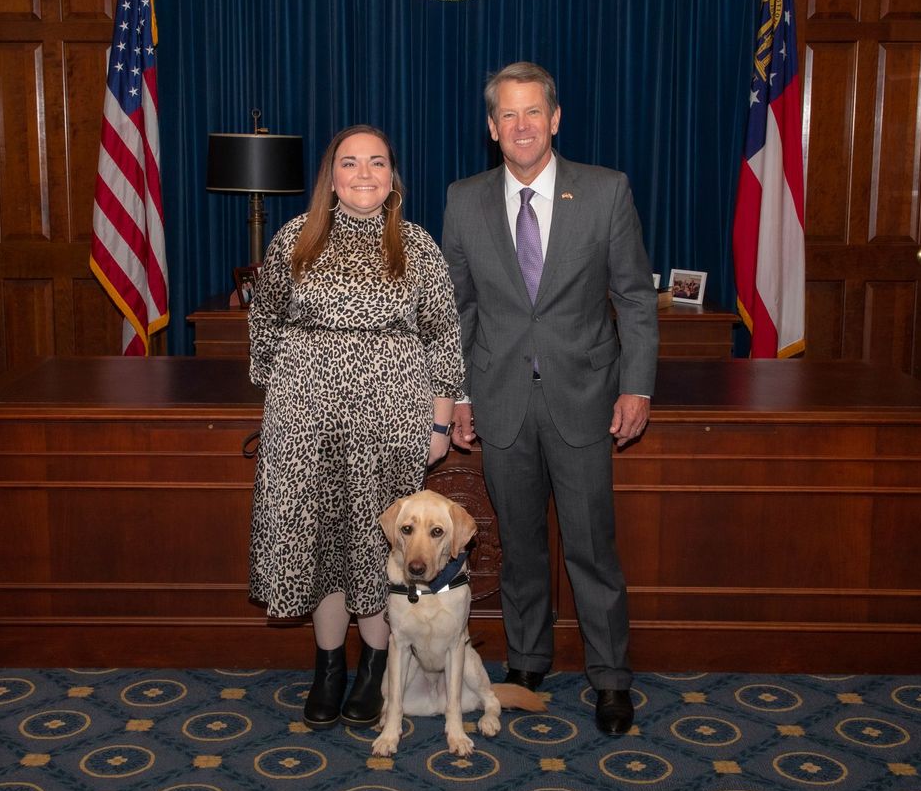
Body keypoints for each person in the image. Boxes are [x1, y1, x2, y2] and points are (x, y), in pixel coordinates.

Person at [441, 62, 659, 735]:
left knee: (592, 547)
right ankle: (527, 662)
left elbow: (633, 299)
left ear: (555, 118)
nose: (522, 125)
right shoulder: (464, 199)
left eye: (533, 112)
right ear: (492, 128)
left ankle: (611, 677)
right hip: (501, 398)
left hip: (585, 396)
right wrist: (457, 396)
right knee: (521, 546)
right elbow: (457, 310)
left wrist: (637, 385)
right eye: (509, 115)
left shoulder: (605, 191)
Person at [248, 124, 464, 729]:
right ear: (331, 176)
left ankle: (373, 665)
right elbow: (263, 321)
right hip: (304, 423)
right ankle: (328, 667)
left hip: (390, 425)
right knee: (318, 545)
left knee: (375, 548)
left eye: (377, 162)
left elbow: (444, 338)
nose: (364, 174)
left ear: (393, 175)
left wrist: (440, 424)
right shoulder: (294, 238)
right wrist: (284, 395)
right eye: (350, 163)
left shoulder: (417, 246)